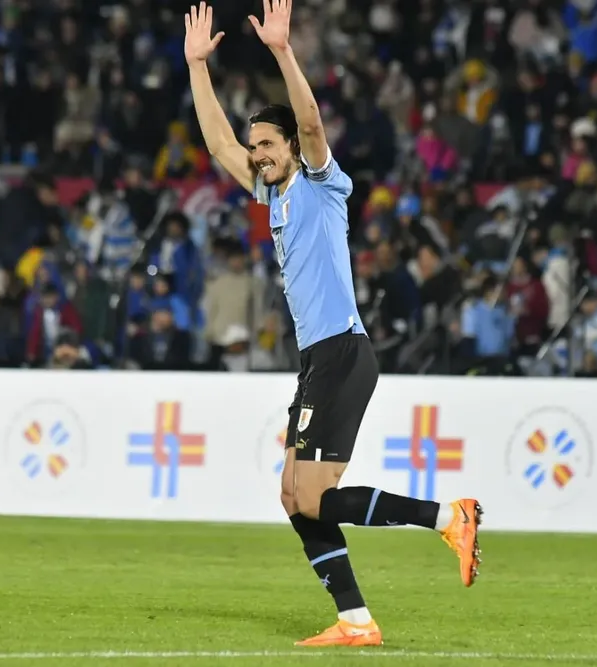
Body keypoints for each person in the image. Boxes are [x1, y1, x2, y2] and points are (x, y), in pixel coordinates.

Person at [184, 0, 482, 648]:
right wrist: (197, 67)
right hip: (317, 359)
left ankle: (447, 517)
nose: (258, 155)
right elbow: (217, 144)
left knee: (315, 496)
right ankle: (355, 620)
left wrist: (282, 51)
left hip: (342, 352)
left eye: (268, 145)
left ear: (293, 146)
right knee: (293, 496)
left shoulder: (322, 183)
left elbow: (313, 120)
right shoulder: (271, 193)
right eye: (257, 147)